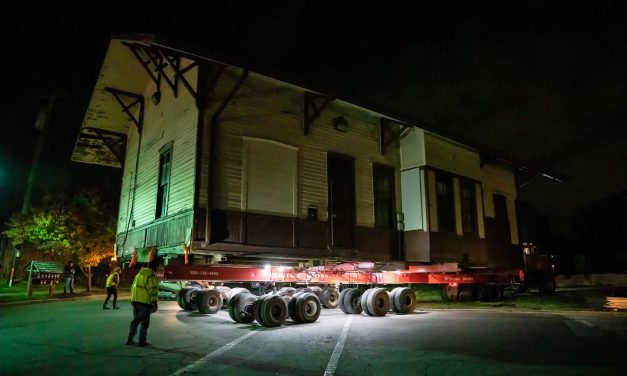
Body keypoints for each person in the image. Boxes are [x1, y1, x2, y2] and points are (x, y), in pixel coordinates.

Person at [127, 259, 159, 347]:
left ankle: (130, 338)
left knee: (136, 320)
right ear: (155, 267)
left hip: (135, 300)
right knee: (144, 322)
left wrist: (134, 298)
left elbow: (132, 287)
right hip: (145, 302)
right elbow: (152, 290)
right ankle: (142, 341)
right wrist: (154, 303)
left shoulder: (139, 274)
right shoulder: (151, 275)